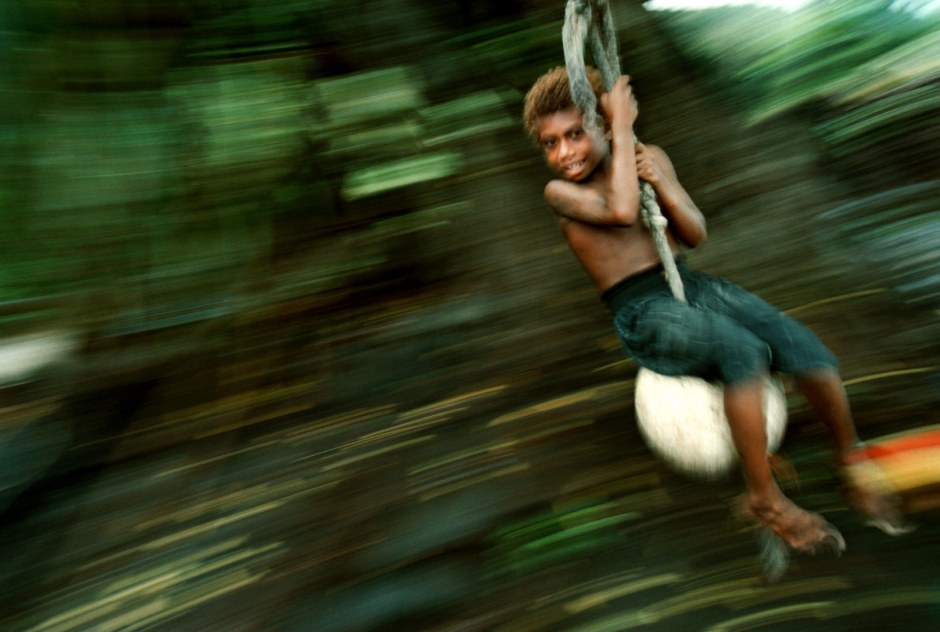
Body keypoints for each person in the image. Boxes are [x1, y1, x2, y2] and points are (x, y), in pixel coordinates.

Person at [522, 66, 895, 555]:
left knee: (807, 350)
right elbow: (620, 211)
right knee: (742, 352)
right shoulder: (561, 194)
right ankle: (764, 498)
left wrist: (661, 179)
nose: (565, 152)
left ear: (600, 123)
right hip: (642, 311)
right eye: (551, 143)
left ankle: (851, 455)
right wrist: (624, 128)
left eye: (575, 134)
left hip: (691, 284)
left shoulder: (645, 157)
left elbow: (694, 232)